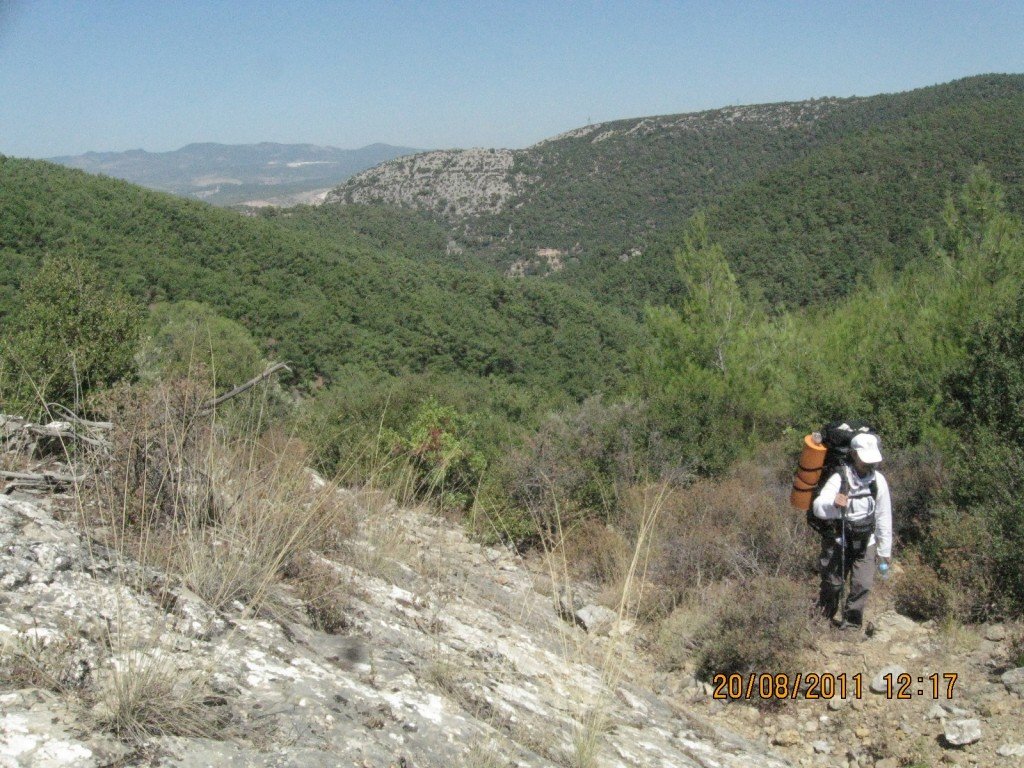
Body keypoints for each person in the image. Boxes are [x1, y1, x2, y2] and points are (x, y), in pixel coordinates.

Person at [811, 432, 892, 630]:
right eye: (865, 460)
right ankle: (823, 619)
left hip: (867, 542)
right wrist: (833, 503)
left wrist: (884, 552)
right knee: (833, 584)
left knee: (862, 585)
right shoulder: (839, 477)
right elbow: (818, 507)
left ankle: (852, 626)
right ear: (854, 455)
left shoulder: (878, 481)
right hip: (839, 540)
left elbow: (883, 516)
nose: (869, 465)